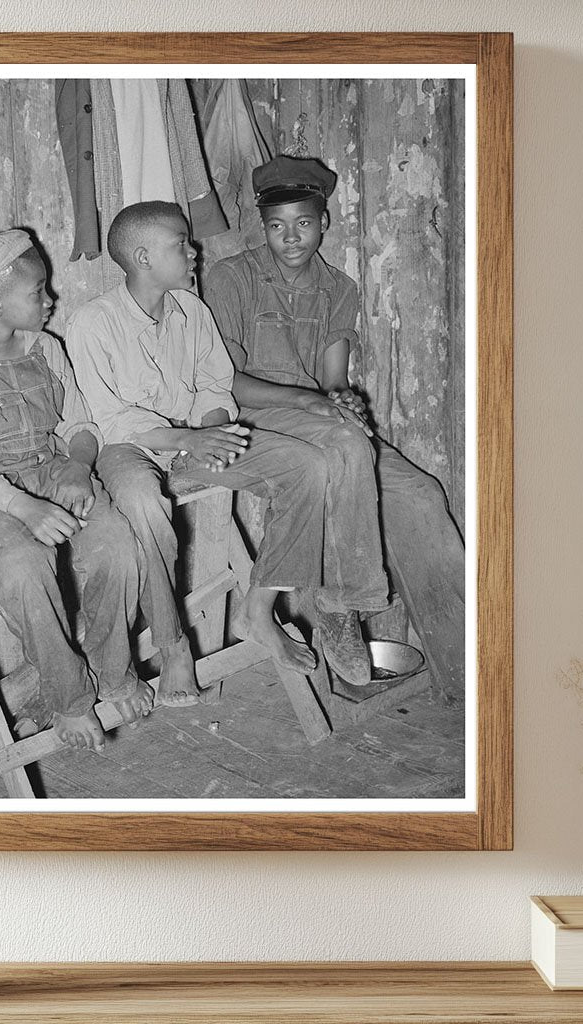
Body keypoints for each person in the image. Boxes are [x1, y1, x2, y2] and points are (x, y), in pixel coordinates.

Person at [65, 201, 388, 699]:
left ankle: (257, 612)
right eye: (181, 243)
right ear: (144, 256)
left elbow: (217, 387)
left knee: (309, 465)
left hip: (195, 439)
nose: (193, 251)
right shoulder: (93, 322)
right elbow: (112, 420)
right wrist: (188, 439)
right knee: (145, 507)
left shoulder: (192, 311)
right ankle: (174, 647)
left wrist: (216, 430)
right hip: (131, 449)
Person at [204, 155, 466, 697]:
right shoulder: (231, 278)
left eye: (303, 223)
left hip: (317, 420)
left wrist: (340, 399)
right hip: (254, 418)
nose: (290, 237)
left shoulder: (339, 289)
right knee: (344, 442)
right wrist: (315, 405)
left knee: (420, 491)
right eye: (276, 226)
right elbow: (226, 383)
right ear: (263, 227)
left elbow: (330, 380)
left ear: (324, 221)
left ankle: (463, 659)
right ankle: (341, 606)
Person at [0, 229, 152, 752]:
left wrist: (77, 467)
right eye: (37, 291)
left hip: (49, 468)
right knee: (26, 569)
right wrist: (23, 507)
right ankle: (69, 699)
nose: (50, 301)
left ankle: (113, 672)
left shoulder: (47, 348)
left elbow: (80, 423)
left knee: (117, 543)